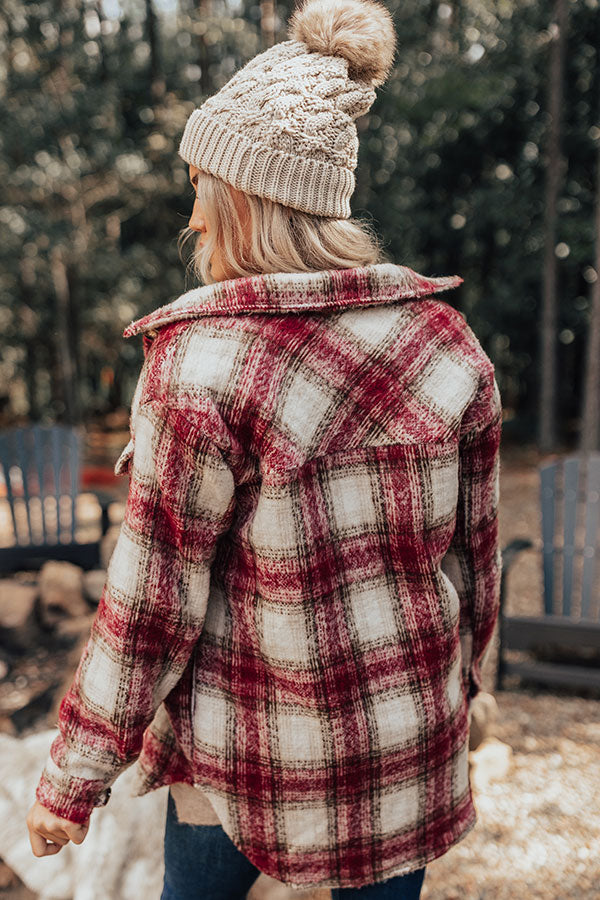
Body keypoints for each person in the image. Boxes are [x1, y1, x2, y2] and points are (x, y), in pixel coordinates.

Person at [26, 1, 503, 898]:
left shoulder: (205, 362)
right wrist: (466, 695)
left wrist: (74, 776)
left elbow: (151, 602)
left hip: (246, 753)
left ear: (244, 198)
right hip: (405, 740)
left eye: (202, 190)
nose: (193, 220)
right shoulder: (445, 344)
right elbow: (474, 565)